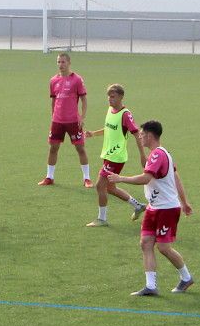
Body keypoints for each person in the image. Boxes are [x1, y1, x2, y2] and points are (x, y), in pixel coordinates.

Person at [106, 120, 195, 296]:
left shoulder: (157, 155)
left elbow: (146, 178)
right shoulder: (163, 153)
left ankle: (186, 277)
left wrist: (120, 178)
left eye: (142, 134)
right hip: (154, 207)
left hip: (166, 209)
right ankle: (151, 286)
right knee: (146, 243)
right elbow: (175, 178)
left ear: (149, 135)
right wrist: (184, 202)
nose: (139, 136)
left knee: (163, 248)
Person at [83, 84, 147, 227]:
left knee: (100, 186)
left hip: (116, 157)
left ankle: (102, 219)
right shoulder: (110, 110)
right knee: (110, 188)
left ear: (121, 97)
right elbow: (109, 129)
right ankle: (138, 206)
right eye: (108, 96)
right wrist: (93, 134)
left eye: (113, 97)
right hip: (108, 155)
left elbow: (137, 134)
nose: (109, 99)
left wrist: (143, 155)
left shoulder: (125, 114)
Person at [38, 52, 91, 187]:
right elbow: (54, 101)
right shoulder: (53, 80)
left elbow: (84, 100)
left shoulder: (77, 80)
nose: (60, 65)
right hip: (57, 121)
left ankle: (87, 178)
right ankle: (49, 177)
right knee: (53, 148)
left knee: (80, 148)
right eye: (58, 62)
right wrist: (53, 116)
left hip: (73, 121)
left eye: (63, 62)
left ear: (69, 62)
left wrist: (82, 117)